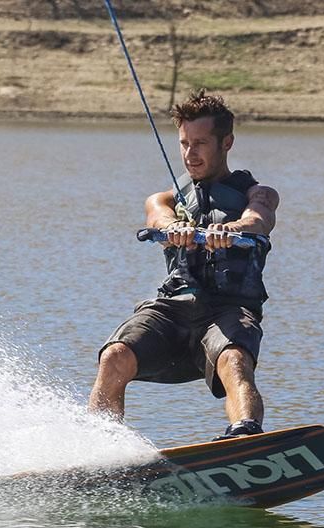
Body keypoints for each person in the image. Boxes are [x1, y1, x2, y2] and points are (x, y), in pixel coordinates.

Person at [88, 90, 280, 440]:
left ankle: (244, 436)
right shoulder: (166, 197)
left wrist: (229, 229)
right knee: (114, 355)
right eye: (184, 143)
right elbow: (157, 217)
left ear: (227, 143)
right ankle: (99, 447)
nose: (190, 154)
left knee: (235, 359)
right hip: (173, 309)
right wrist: (172, 227)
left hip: (228, 311)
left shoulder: (258, 193)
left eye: (201, 143)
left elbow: (258, 219)